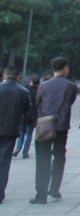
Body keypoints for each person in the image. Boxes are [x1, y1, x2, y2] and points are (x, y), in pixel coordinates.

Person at [31, 56, 77, 204]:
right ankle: (55, 188)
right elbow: (70, 102)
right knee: (59, 157)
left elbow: (37, 102)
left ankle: (41, 194)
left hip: (44, 125)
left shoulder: (43, 85)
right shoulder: (71, 86)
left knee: (42, 159)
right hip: (61, 126)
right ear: (65, 68)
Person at [0, 67, 30, 204]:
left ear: (4, 75)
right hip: (10, 130)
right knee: (4, 162)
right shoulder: (23, 92)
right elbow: (26, 112)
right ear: (17, 76)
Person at [13, 75, 39, 159]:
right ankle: (25, 152)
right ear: (38, 84)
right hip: (32, 115)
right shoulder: (38, 92)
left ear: (31, 82)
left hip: (23, 115)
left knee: (21, 133)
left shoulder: (25, 90)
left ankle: (18, 147)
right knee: (29, 134)